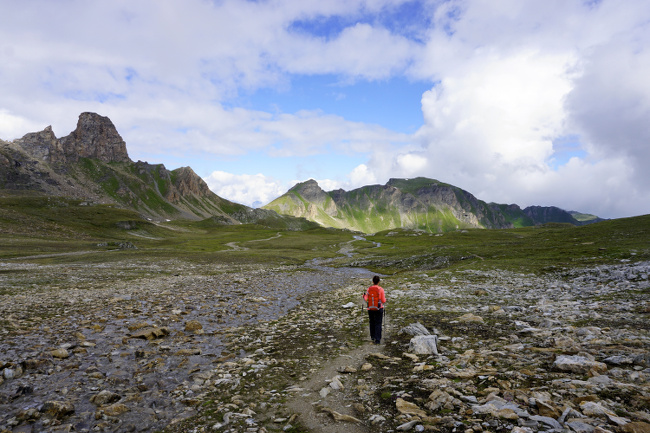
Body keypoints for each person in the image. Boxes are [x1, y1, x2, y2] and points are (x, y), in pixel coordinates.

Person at [363, 275, 386, 344]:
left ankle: (372, 337)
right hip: (379, 308)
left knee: (372, 322)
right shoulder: (381, 289)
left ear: (373, 282)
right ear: (379, 282)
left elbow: (366, 299)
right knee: (378, 323)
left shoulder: (369, 289)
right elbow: (383, 300)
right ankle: (378, 339)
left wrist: (363, 296)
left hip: (370, 308)